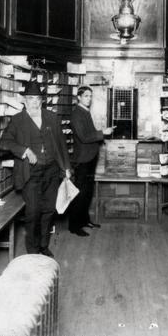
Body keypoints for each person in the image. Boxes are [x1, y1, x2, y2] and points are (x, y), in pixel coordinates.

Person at [0, 81, 71, 257]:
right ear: (24, 100)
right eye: (30, 98)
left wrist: (67, 168)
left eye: (37, 99)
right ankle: (32, 250)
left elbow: (61, 145)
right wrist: (24, 151)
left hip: (52, 170)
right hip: (30, 173)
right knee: (33, 212)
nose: (34, 102)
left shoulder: (52, 118)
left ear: (42, 100)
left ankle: (44, 246)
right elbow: (4, 143)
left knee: (49, 210)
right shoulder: (18, 120)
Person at [68, 86, 114, 236]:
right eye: (86, 96)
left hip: (90, 157)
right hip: (82, 159)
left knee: (87, 192)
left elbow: (90, 133)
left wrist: (101, 134)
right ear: (79, 97)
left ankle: (84, 220)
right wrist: (103, 133)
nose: (89, 99)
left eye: (90, 96)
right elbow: (84, 137)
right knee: (80, 193)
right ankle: (74, 226)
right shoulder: (76, 114)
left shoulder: (85, 112)